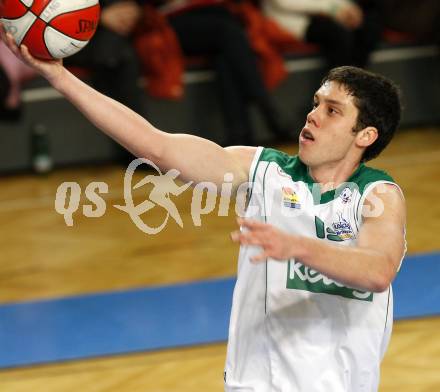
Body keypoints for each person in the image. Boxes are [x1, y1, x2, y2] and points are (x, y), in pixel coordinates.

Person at [1, 27, 406, 391]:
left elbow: (377, 270)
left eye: (332, 111)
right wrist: (57, 75)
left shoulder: (379, 195)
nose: (313, 115)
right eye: (316, 103)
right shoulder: (261, 171)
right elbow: (154, 146)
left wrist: (297, 247)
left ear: (365, 135)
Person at [157, 0, 289, 145]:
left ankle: (240, 135)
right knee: (229, 33)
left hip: (217, 13)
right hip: (174, 18)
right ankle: (267, 108)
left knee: (225, 55)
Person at [262, 0, 383, 70]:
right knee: (339, 34)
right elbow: (284, 3)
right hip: (292, 20)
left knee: (369, 27)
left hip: (326, 15)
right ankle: (337, 92)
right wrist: (332, 9)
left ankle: (358, 85)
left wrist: (348, 8)